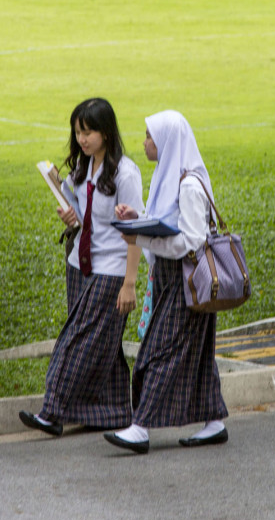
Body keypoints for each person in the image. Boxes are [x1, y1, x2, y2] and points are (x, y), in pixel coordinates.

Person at [105, 110, 228, 454]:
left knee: (160, 350)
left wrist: (139, 237)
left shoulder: (188, 185)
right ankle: (214, 420)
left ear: (167, 141)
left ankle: (140, 426)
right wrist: (139, 219)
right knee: (198, 351)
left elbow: (189, 240)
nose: (144, 142)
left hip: (185, 278)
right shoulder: (167, 175)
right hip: (170, 276)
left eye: (149, 136)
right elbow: (166, 222)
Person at [19, 98, 144, 437]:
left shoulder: (125, 173)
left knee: (75, 340)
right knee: (104, 341)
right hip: (79, 263)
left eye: (88, 132)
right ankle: (115, 410)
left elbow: (134, 230)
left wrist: (129, 283)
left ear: (106, 132)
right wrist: (67, 206)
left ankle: (52, 411)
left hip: (111, 268)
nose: (82, 139)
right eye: (78, 132)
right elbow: (80, 211)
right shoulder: (82, 168)